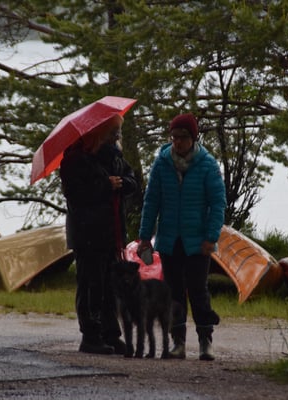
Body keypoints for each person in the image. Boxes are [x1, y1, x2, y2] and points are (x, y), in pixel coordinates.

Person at [137, 112, 226, 361]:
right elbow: (151, 202)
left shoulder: (208, 164)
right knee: (173, 293)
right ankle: (178, 342)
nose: (177, 141)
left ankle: (205, 341)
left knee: (198, 291)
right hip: (169, 240)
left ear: (193, 138)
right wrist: (145, 237)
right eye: (174, 137)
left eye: (183, 137)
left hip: (198, 241)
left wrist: (211, 236)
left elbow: (218, 203)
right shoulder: (161, 163)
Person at [60, 114, 139, 355]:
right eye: (113, 131)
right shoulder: (75, 159)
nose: (117, 136)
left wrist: (122, 183)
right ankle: (90, 335)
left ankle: (110, 335)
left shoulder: (115, 157)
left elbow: (132, 180)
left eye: (118, 131)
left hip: (111, 232)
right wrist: (106, 185)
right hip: (87, 233)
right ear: (99, 133)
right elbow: (75, 194)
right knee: (90, 285)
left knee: (109, 287)